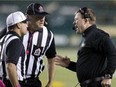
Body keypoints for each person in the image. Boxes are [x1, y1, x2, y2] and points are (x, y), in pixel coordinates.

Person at [54, 7, 116, 87]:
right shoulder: (86, 37)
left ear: (86, 20)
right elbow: (87, 68)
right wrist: (69, 64)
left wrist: (108, 76)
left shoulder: (97, 35)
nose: (74, 22)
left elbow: (113, 53)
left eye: (76, 19)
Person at [22, 3, 56, 87]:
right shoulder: (17, 29)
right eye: (38, 17)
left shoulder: (48, 35)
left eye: (43, 16)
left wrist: (50, 82)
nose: (42, 19)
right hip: (12, 79)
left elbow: (51, 58)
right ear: (28, 17)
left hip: (33, 82)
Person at [0, 11, 28, 87]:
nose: (27, 25)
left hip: (3, 81)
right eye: (24, 22)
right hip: (12, 82)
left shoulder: (3, 39)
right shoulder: (15, 41)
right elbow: (10, 66)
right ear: (18, 24)